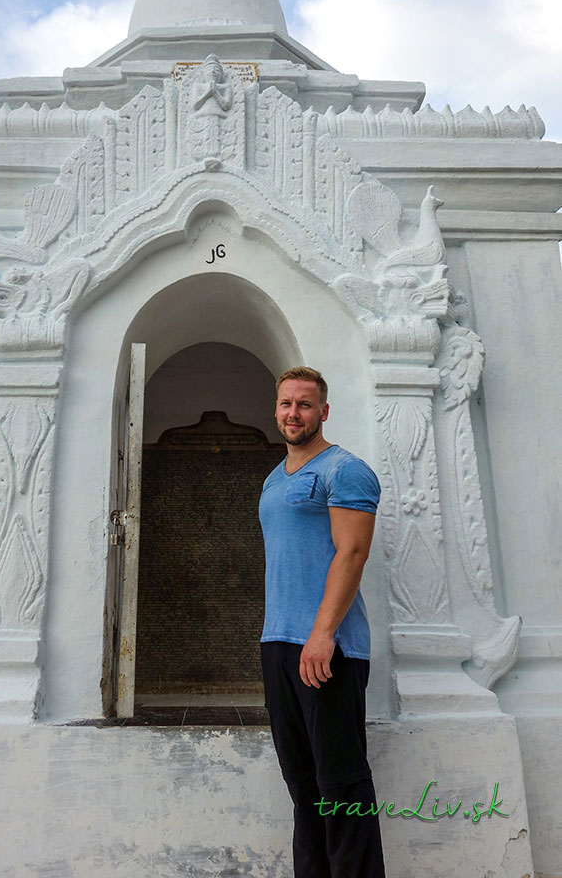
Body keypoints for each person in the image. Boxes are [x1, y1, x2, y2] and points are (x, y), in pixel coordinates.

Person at [259, 366, 386, 878]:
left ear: (324, 411)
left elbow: (352, 553)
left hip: (327, 646)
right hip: (278, 644)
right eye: (287, 404)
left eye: (305, 404)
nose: (295, 413)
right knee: (302, 786)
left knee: (341, 784)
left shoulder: (344, 469)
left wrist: (322, 634)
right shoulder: (274, 477)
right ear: (276, 410)